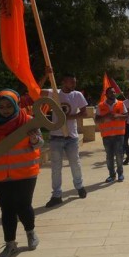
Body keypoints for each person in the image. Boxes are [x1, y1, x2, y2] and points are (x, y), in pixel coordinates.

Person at [0, 89, 43, 257]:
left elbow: (39, 143)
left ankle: (31, 233)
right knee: (7, 209)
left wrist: (34, 140)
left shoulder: (28, 121)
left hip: (25, 173)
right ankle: (10, 244)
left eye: (9, 106)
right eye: (1, 107)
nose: (5, 110)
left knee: (24, 206)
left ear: (16, 105)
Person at [41, 70, 88, 207]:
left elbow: (84, 113)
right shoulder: (54, 93)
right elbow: (35, 90)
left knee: (75, 163)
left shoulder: (77, 95)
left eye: (75, 82)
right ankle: (56, 195)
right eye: (71, 82)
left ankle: (79, 186)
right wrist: (46, 75)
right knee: (56, 167)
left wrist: (69, 117)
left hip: (71, 137)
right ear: (63, 82)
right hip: (56, 137)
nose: (74, 84)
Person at [95, 87, 128, 182]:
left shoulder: (121, 104)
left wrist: (117, 116)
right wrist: (106, 117)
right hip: (106, 136)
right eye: (111, 92)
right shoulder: (100, 106)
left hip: (119, 135)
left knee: (119, 156)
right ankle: (112, 175)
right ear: (106, 94)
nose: (113, 94)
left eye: (114, 92)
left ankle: (120, 174)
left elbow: (126, 116)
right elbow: (96, 120)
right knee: (109, 157)